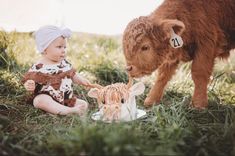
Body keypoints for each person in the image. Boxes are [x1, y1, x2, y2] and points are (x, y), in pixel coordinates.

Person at [22, 25, 97, 115]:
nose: (63, 50)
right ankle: (67, 111)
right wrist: (29, 85)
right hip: (48, 98)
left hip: (66, 99)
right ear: (45, 49)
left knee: (83, 104)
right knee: (39, 101)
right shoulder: (39, 66)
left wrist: (83, 81)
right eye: (59, 47)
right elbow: (29, 79)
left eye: (64, 47)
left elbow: (73, 76)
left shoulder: (64, 63)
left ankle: (63, 109)